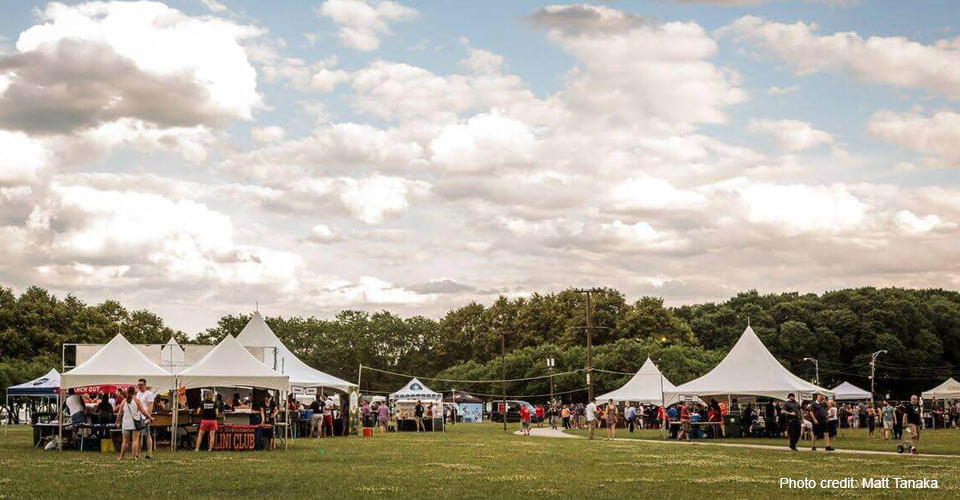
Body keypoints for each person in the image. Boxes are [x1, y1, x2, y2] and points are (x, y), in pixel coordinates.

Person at [117, 386, 152, 460]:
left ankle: (121, 457)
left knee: (125, 441)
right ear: (134, 392)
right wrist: (150, 418)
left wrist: (117, 422)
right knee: (135, 440)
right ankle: (133, 457)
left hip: (125, 423)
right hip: (135, 423)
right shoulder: (137, 401)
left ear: (127, 392)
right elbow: (143, 412)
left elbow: (119, 413)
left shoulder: (123, 401)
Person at [135, 379, 156, 459]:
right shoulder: (138, 394)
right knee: (138, 436)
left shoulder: (149, 394)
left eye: (141, 385)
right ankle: (137, 453)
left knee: (147, 435)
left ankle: (149, 453)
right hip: (138, 417)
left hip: (145, 417)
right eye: (138, 384)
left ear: (145, 385)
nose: (139, 386)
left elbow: (150, 406)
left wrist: (148, 417)